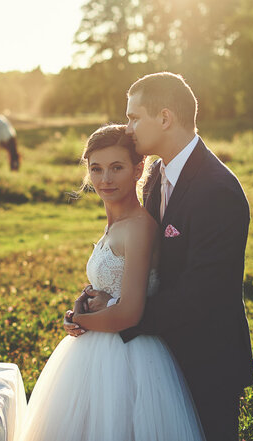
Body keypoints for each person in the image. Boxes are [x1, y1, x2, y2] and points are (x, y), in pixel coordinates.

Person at [66, 72, 253, 440]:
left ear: (165, 118)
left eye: (134, 116)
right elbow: (146, 262)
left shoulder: (217, 191)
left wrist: (121, 314)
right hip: (159, 354)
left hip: (205, 359)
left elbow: (204, 295)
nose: (128, 126)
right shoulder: (155, 173)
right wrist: (100, 299)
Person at [22, 124, 205, 441]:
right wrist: (80, 310)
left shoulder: (137, 227)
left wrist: (79, 320)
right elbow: (109, 290)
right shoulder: (115, 223)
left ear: (138, 169)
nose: (105, 179)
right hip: (94, 348)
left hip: (128, 356)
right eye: (97, 169)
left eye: (116, 168)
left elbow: (131, 313)